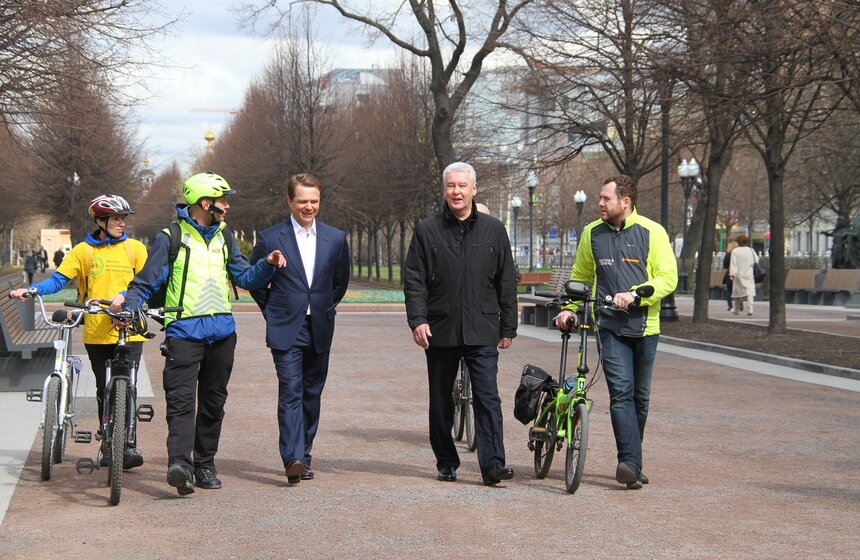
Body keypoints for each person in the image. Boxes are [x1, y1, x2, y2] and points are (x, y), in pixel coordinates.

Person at [123, 172, 286, 496]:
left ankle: (205, 465)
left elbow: (243, 277)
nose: (228, 206)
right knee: (181, 403)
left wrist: (267, 263)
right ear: (205, 203)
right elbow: (146, 282)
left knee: (213, 404)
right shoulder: (171, 237)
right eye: (223, 200)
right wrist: (130, 307)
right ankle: (180, 466)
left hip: (222, 334)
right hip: (183, 333)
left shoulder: (225, 237)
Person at [553, 175, 677, 490]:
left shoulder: (653, 232)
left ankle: (634, 461)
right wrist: (570, 308)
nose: (600, 203)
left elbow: (667, 277)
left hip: (645, 327)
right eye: (599, 197)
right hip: (608, 325)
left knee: (640, 399)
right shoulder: (591, 233)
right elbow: (581, 275)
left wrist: (636, 295)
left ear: (625, 201)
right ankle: (629, 464)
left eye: (606, 198)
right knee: (621, 394)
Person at [10, 195, 148, 469]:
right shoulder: (83, 251)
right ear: (100, 221)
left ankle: (126, 444)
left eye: (123, 219)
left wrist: (124, 296)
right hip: (97, 330)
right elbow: (58, 280)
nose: (121, 223)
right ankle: (108, 443)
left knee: (127, 386)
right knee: (103, 388)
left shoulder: (135, 248)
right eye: (116, 219)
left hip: (129, 327)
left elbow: (147, 283)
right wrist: (33, 290)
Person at [403, 162, 518, 486]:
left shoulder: (494, 230)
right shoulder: (426, 230)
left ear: (474, 189)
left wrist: (508, 326)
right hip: (440, 329)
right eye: (451, 186)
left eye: (462, 186)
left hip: (482, 327)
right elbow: (414, 280)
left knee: (488, 397)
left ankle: (493, 465)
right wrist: (418, 320)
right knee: (441, 399)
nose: (457, 191)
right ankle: (446, 461)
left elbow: (506, 280)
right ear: (444, 190)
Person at [249, 173, 351, 484]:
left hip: (319, 325)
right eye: (303, 201)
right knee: (291, 390)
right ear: (289, 201)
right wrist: (272, 309)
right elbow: (255, 279)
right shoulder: (270, 238)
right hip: (285, 327)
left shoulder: (336, 238)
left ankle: (304, 455)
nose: (309, 207)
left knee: (312, 392)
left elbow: (339, 281)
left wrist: (324, 307)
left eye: (314, 201)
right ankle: (292, 457)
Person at [729, 234, 758, 316]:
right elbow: (756, 260)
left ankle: (736, 309)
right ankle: (750, 309)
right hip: (749, 273)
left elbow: (733, 264)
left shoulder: (735, 251)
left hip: (738, 274)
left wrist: (732, 274)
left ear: (738, 242)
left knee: (736, 292)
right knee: (750, 291)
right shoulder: (751, 250)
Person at [723, 241, 738, 312]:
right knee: (737, 290)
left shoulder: (728, 254)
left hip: (730, 273)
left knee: (729, 290)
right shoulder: (738, 255)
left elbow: (725, 265)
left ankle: (730, 306)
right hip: (738, 273)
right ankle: (739, 303)